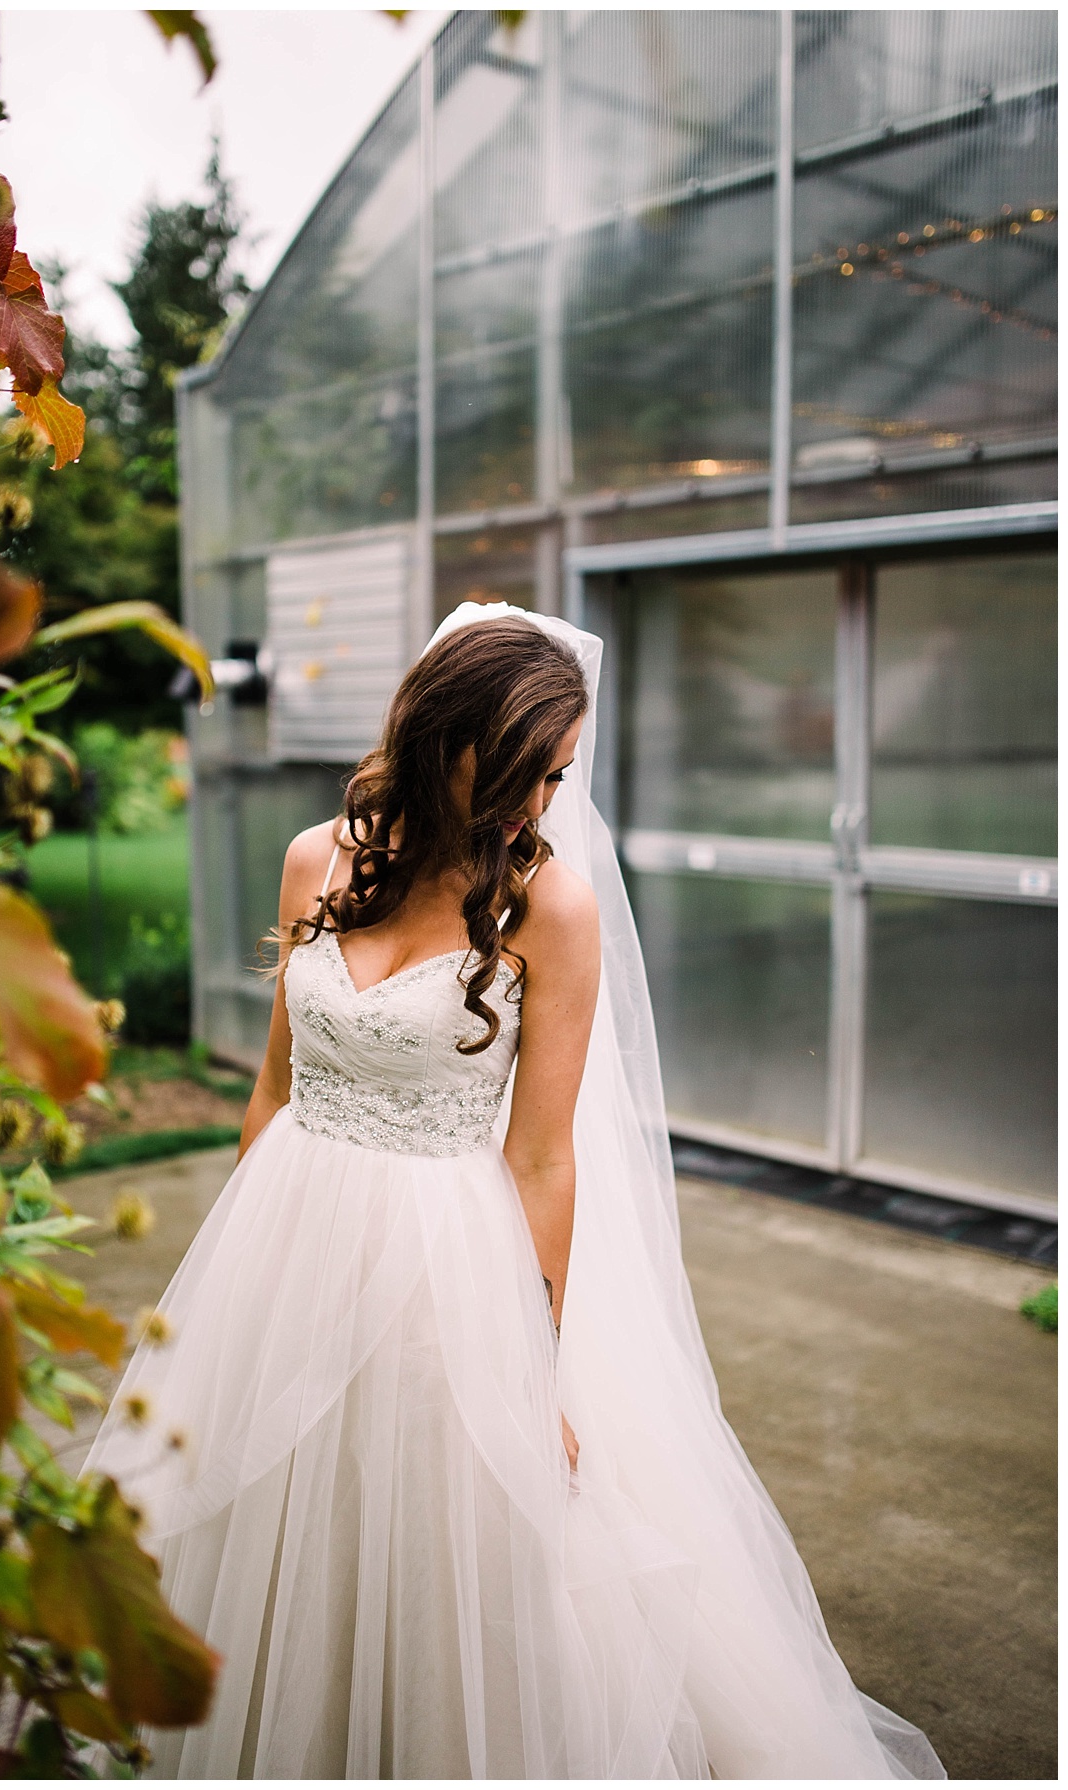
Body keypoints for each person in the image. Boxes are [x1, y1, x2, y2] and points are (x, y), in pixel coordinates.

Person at [84, 603, 946, 1780]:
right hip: (286, 1235)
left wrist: (533, 1362)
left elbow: (543, 1156)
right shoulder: (315, 857)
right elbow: (276, 1087)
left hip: (442, 1266)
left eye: (560, 775)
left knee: (431, 1541)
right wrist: (238, 1280)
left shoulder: (552, 909)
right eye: (529, 768)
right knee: (273, 1519)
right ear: (449, 737)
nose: (544, 801)